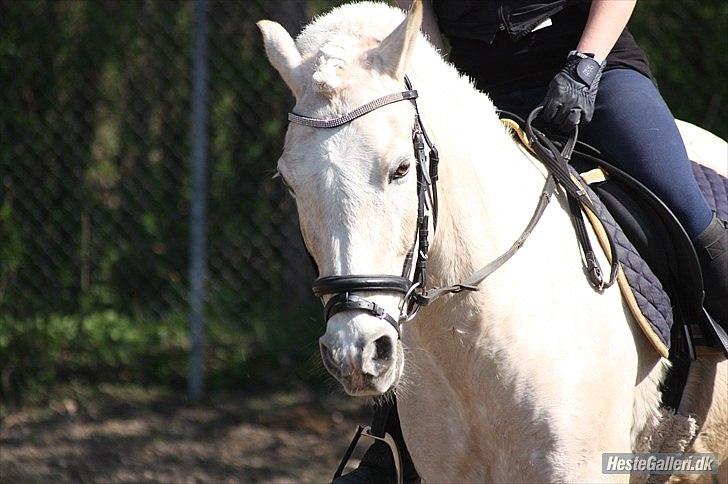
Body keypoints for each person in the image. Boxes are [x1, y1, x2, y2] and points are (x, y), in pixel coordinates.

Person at [336, 1, 727, 482]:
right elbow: (417, 20)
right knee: (421, 241)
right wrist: (436, 86)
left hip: (595, 72)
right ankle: (390, 442)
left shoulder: (592, 66)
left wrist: (585, 65)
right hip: (476, 91)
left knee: (681, 201)